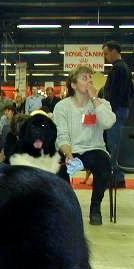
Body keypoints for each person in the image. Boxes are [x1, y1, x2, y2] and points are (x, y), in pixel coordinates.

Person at [54, 65, 116, 225]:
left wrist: (95, 100)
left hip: (94, 149)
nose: (89, 81)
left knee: (103, 162)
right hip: (70, 148)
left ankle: (95, 208)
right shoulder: (62, 106)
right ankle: (67, 206)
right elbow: (61, 134)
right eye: (84, 78)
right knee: (55, 164)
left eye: (90, 78)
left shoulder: (102, 104)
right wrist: (67, 152)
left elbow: (108, 123)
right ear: (73, 85)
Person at [101, 40, 133, 188]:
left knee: (114, 144)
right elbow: (130, 92)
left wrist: (110, 110)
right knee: (116, 144)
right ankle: (118, 177)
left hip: (116, 110)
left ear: (114, 51)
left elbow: (114, 93)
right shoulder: (124, 67)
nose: (105, 57)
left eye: (106, 53)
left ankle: (116, 178)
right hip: (122, 109)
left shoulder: (117, 68)